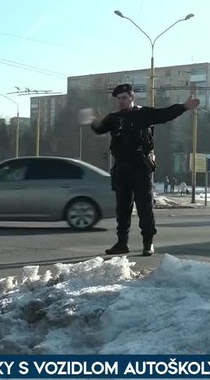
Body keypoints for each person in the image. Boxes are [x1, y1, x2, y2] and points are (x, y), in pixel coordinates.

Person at [80, 83, 200, 256]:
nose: (121, 101)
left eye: (124, 98)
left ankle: (148, 243)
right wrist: (92, 120)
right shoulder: (114, 118)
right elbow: (100, 129)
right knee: (122, 209)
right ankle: (122, 243)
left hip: (140, 167)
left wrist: (183, 107)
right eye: (119, 99)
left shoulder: (143, 114)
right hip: (121, 168)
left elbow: (164, 114)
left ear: (132, 97)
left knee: (144, 207)